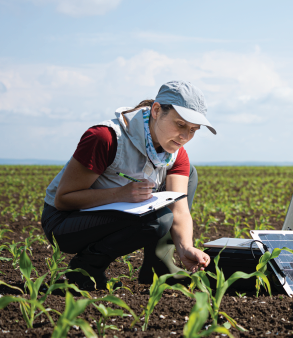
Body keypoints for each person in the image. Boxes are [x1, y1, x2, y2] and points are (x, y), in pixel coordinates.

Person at [41, 81, 214, 290]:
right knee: (158, 221)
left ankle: (160, 267)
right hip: (65, 223)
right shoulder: (105, 138)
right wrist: (119, 194)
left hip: (114, 213)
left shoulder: (176, 154)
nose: (185, 137)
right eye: (180, 125)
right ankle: (86, 268)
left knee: (189, 175)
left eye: (193, 130)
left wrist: (186, 247)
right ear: (157, 111)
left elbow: (179, 209)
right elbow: (63, 200)